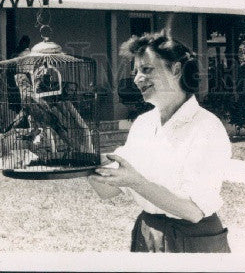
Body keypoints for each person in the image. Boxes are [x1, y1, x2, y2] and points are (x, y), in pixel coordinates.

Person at [88, 30, 232, 253]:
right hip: (147, 235)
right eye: (136, 71)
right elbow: (108, 191)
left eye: (146, 69)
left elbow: (193, 211)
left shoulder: (207, 127)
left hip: (193, 242)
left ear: (175, 69)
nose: (136, 78)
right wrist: (78, 158)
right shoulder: (143, 124)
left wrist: (137, 182)